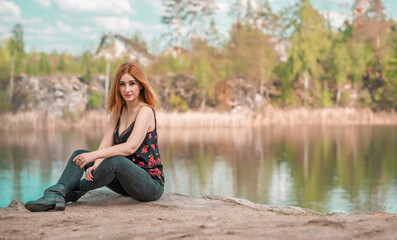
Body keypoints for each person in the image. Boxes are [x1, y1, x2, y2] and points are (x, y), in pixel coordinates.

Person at [25, 62, 165, 212]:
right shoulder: (118, 111)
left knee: (115, 161)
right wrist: (96, 164)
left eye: (132, 83)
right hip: (126, 185)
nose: (127, 89)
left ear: (141, 85)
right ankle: (58, 195)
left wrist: (93, 156)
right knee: (79, 155)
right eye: (122, 84)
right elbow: (106, 142)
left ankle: (58, 194)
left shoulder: (145, 111)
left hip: (149, 186)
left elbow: (130, 147)